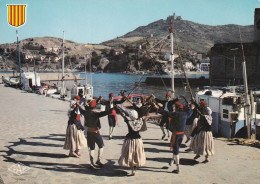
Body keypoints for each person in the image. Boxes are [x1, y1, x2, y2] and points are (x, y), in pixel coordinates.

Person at [155, 101, 194, 174]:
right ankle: (172, 160)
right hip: (182, 135)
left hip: (176, 135)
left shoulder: (175, 114)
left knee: (176, 150)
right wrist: (191, 108)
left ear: (176, 108)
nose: (173, 108)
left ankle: (178, 168)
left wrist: (158, 109)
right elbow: (190, 112)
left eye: (174, 107)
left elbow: (166, 113)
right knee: (176, 148)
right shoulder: (185, 114)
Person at [78, 100, 112, 169]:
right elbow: (107, 112)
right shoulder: (95, 114)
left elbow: (81, 109)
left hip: (89, 132)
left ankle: (91, 163)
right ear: (95, 106)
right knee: (101, 145)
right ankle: (98, 160)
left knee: (91, 147)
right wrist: (111, 107)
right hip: (95, 132)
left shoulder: (86, 113)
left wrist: (78, 105)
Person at [116, 105, 147, 176]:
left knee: (129, 154)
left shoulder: (128, 121)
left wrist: (118, 109)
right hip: (137, 140)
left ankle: (132, 167)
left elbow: (123, 115)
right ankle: (134, 169)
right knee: (136, 154)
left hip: (129, 140)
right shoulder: (140, 121)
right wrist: (151, 107)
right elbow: (145, 114)